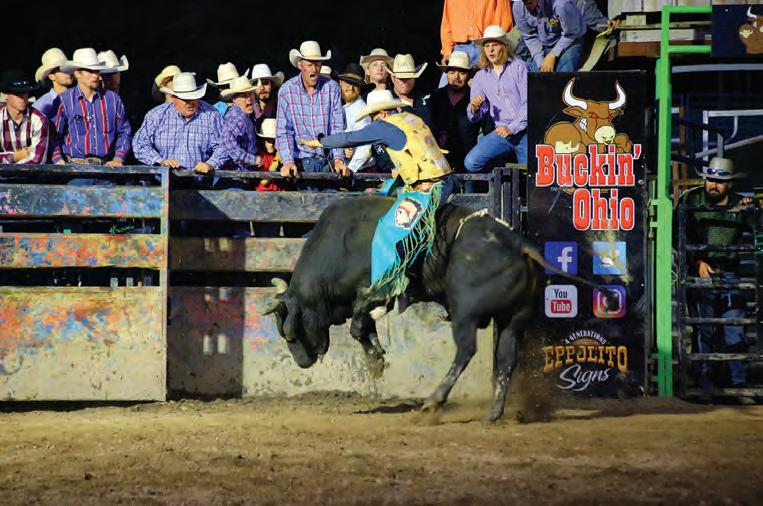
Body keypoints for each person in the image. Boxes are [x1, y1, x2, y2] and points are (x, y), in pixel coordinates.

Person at [301, 89, 452, 300]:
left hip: (428, 190)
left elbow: (350, 138)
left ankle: (388, 287)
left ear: (381, 113)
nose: (372, 121)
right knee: (389, 195)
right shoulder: (412, 119)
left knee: (387, 232)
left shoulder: (384, 126)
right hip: (445, 181)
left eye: (373, 116)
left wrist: (320, 142)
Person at [681, 158, 754, 398]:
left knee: (734, 328)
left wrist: (753, 211)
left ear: (730, 184)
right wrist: (697, 261)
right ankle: (705, 384)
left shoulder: (740, 203)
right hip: (701, 271)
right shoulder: (691, 200)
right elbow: (678, 236)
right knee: (704, 329)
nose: (713, 185)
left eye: (720, 181)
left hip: (730, 273)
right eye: (710, 179)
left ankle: (738, 384)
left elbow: (759, 228)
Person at [275, 40, 346, 179]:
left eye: (318, 64)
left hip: (328, 162)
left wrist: (338, 158)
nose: (314, 70)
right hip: (301, 163)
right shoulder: (287, 90)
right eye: (309, 65)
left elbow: (337, 127)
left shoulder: (332, 88)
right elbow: (283, 131)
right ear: (300, 65)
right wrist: (288, 161)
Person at [133, 72, 226, 176]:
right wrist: (159, 161)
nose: (190, 103)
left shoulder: (211, 115)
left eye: (193, 97)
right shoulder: (157, 115)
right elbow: (140, 144)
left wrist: (211, 164)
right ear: (174, 97)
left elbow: (224, 146)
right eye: (185, 99)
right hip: (163, 180)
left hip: (201, 179)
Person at [51, 48, 132, 166]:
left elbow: (125, 131)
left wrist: (118, 158)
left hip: (106, 167)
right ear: (77, 73)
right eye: (90, 71)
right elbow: (53, 134)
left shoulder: (113, 99)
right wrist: (58, 159)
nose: (95, 75)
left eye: (97, 71)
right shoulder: (64, 100)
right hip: (75, 166)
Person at [464, 25, 527, 173]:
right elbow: (476, 114)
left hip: (525, 131)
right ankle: (499, 177)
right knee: (471, 163)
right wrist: (474, 108)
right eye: (487, 46)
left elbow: (529, 103)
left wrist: (512, 128)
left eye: (495, 45)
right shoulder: (480, 77)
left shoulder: (519, 67)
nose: (491, 50)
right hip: (501, 133)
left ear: (504, 46)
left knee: (530, 175)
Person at [429, 50, 487, 171]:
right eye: (452, 72)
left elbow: (488, 132)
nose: (456, 77)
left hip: (468, 163)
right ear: (446, 74)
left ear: (469, 75)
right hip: (438, 163)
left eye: (462, 72)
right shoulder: (436, 97)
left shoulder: (477, 99)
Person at [439, 0, 513, 85]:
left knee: (497, 84)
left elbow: (504, 19)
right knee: (445, 86)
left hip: (487, 44)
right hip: (460, 48)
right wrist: (447, 51)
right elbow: (447, 22)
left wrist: (496, 45)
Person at [513, 0, 586, 72]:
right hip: (545, 43)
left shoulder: (561, 4)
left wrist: (552, 55)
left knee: (564, 72)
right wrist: (540, 61)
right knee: (536, 74)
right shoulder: (518, 7)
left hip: (571, 40)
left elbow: (571, 33)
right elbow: (529, 36)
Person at [0, 70, 49, 164]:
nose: (22, 97)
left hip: (30, 173)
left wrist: (10, 161)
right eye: (17, 93)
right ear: (5, 95)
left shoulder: (39, 120)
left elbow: (38, 159)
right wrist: (15, 156)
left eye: (25, 93)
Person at [335, 63, 375, 173]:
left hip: (361, 170)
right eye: (348, 83)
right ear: (340, 83)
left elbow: (365, 146)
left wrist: (350, 170)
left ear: (360, 88)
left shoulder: (360, 110)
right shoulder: (339, 105)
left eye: (356, 85)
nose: (351, 88)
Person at [219, 75, 259, 173]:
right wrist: (252, 159)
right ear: (234, 98)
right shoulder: (238, 116)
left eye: (250, 94)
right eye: (244, 96)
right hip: (236, 175)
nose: (249, 99)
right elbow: (226, 141)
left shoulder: (243, 114)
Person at [386, 54, 434, 129]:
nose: (405, 82)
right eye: (401, 78)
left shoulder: (427, 99)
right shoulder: (385, 102)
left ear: (414, 78)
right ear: (392, 78)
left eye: (409, 78)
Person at [33, 48, 74, 120]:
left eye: (68, 68)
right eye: (62, 69)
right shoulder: (41, 106)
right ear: (51, 76)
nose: (68, 72)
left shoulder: (79, 98)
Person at [250, 64, 282, 130]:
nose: (262, 88)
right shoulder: (249, 110)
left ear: (272, 85)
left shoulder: (281, 108)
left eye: (265, 83)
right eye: (257, 85)